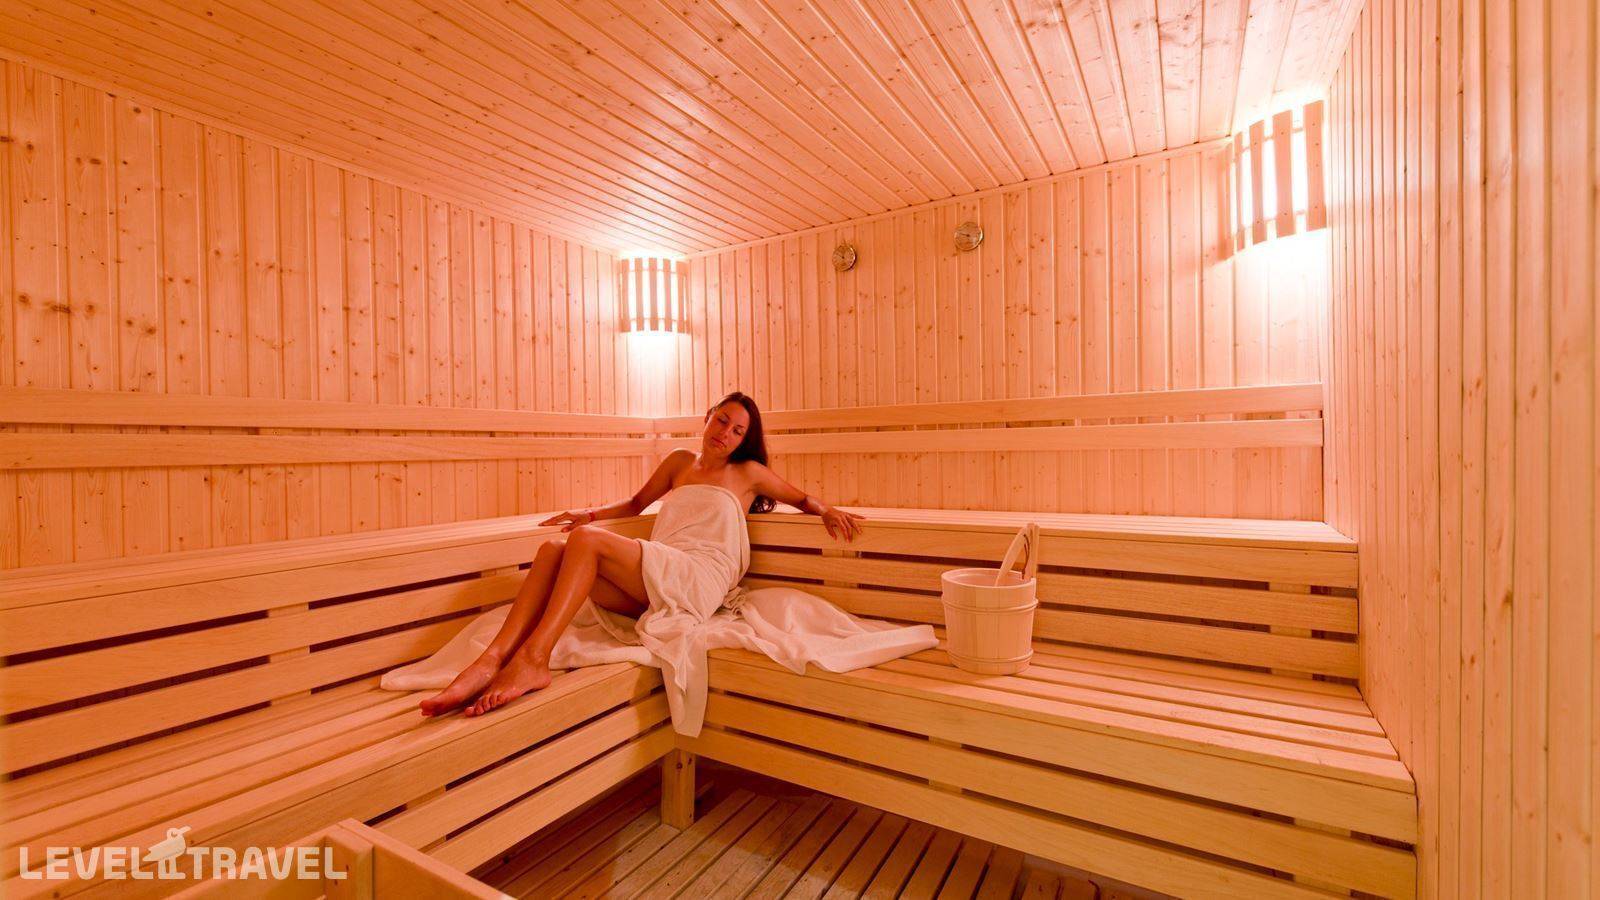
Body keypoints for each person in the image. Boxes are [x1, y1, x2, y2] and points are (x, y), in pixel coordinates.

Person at [418, 391, 866, 717]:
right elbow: (635, 505)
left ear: (744, 440)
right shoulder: (678, 462)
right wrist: (587, 513)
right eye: (722, 420)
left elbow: (801, 498)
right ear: (707, 417)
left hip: (698, 577)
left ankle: (534, 658)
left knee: (586, 541)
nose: (725, 433)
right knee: (553, 549)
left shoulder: (747, 472)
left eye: (737, 430)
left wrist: (826, 511)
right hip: (659, 573)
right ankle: (491, 660)